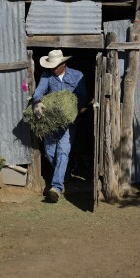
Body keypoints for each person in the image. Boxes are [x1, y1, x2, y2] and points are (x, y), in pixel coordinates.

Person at [32, 49, 87, 203]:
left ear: (63, 63)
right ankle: (66, 173)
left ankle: (56, 187)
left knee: (63, 151)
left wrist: (73, 112)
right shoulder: (46, 76)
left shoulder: (77, 76)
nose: (53, 69)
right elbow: (38, 93)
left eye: (56, 66)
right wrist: (37, 103)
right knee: (50, 153)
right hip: (51, 123)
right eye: (51, 66)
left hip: (69, 123)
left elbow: (82, 97)